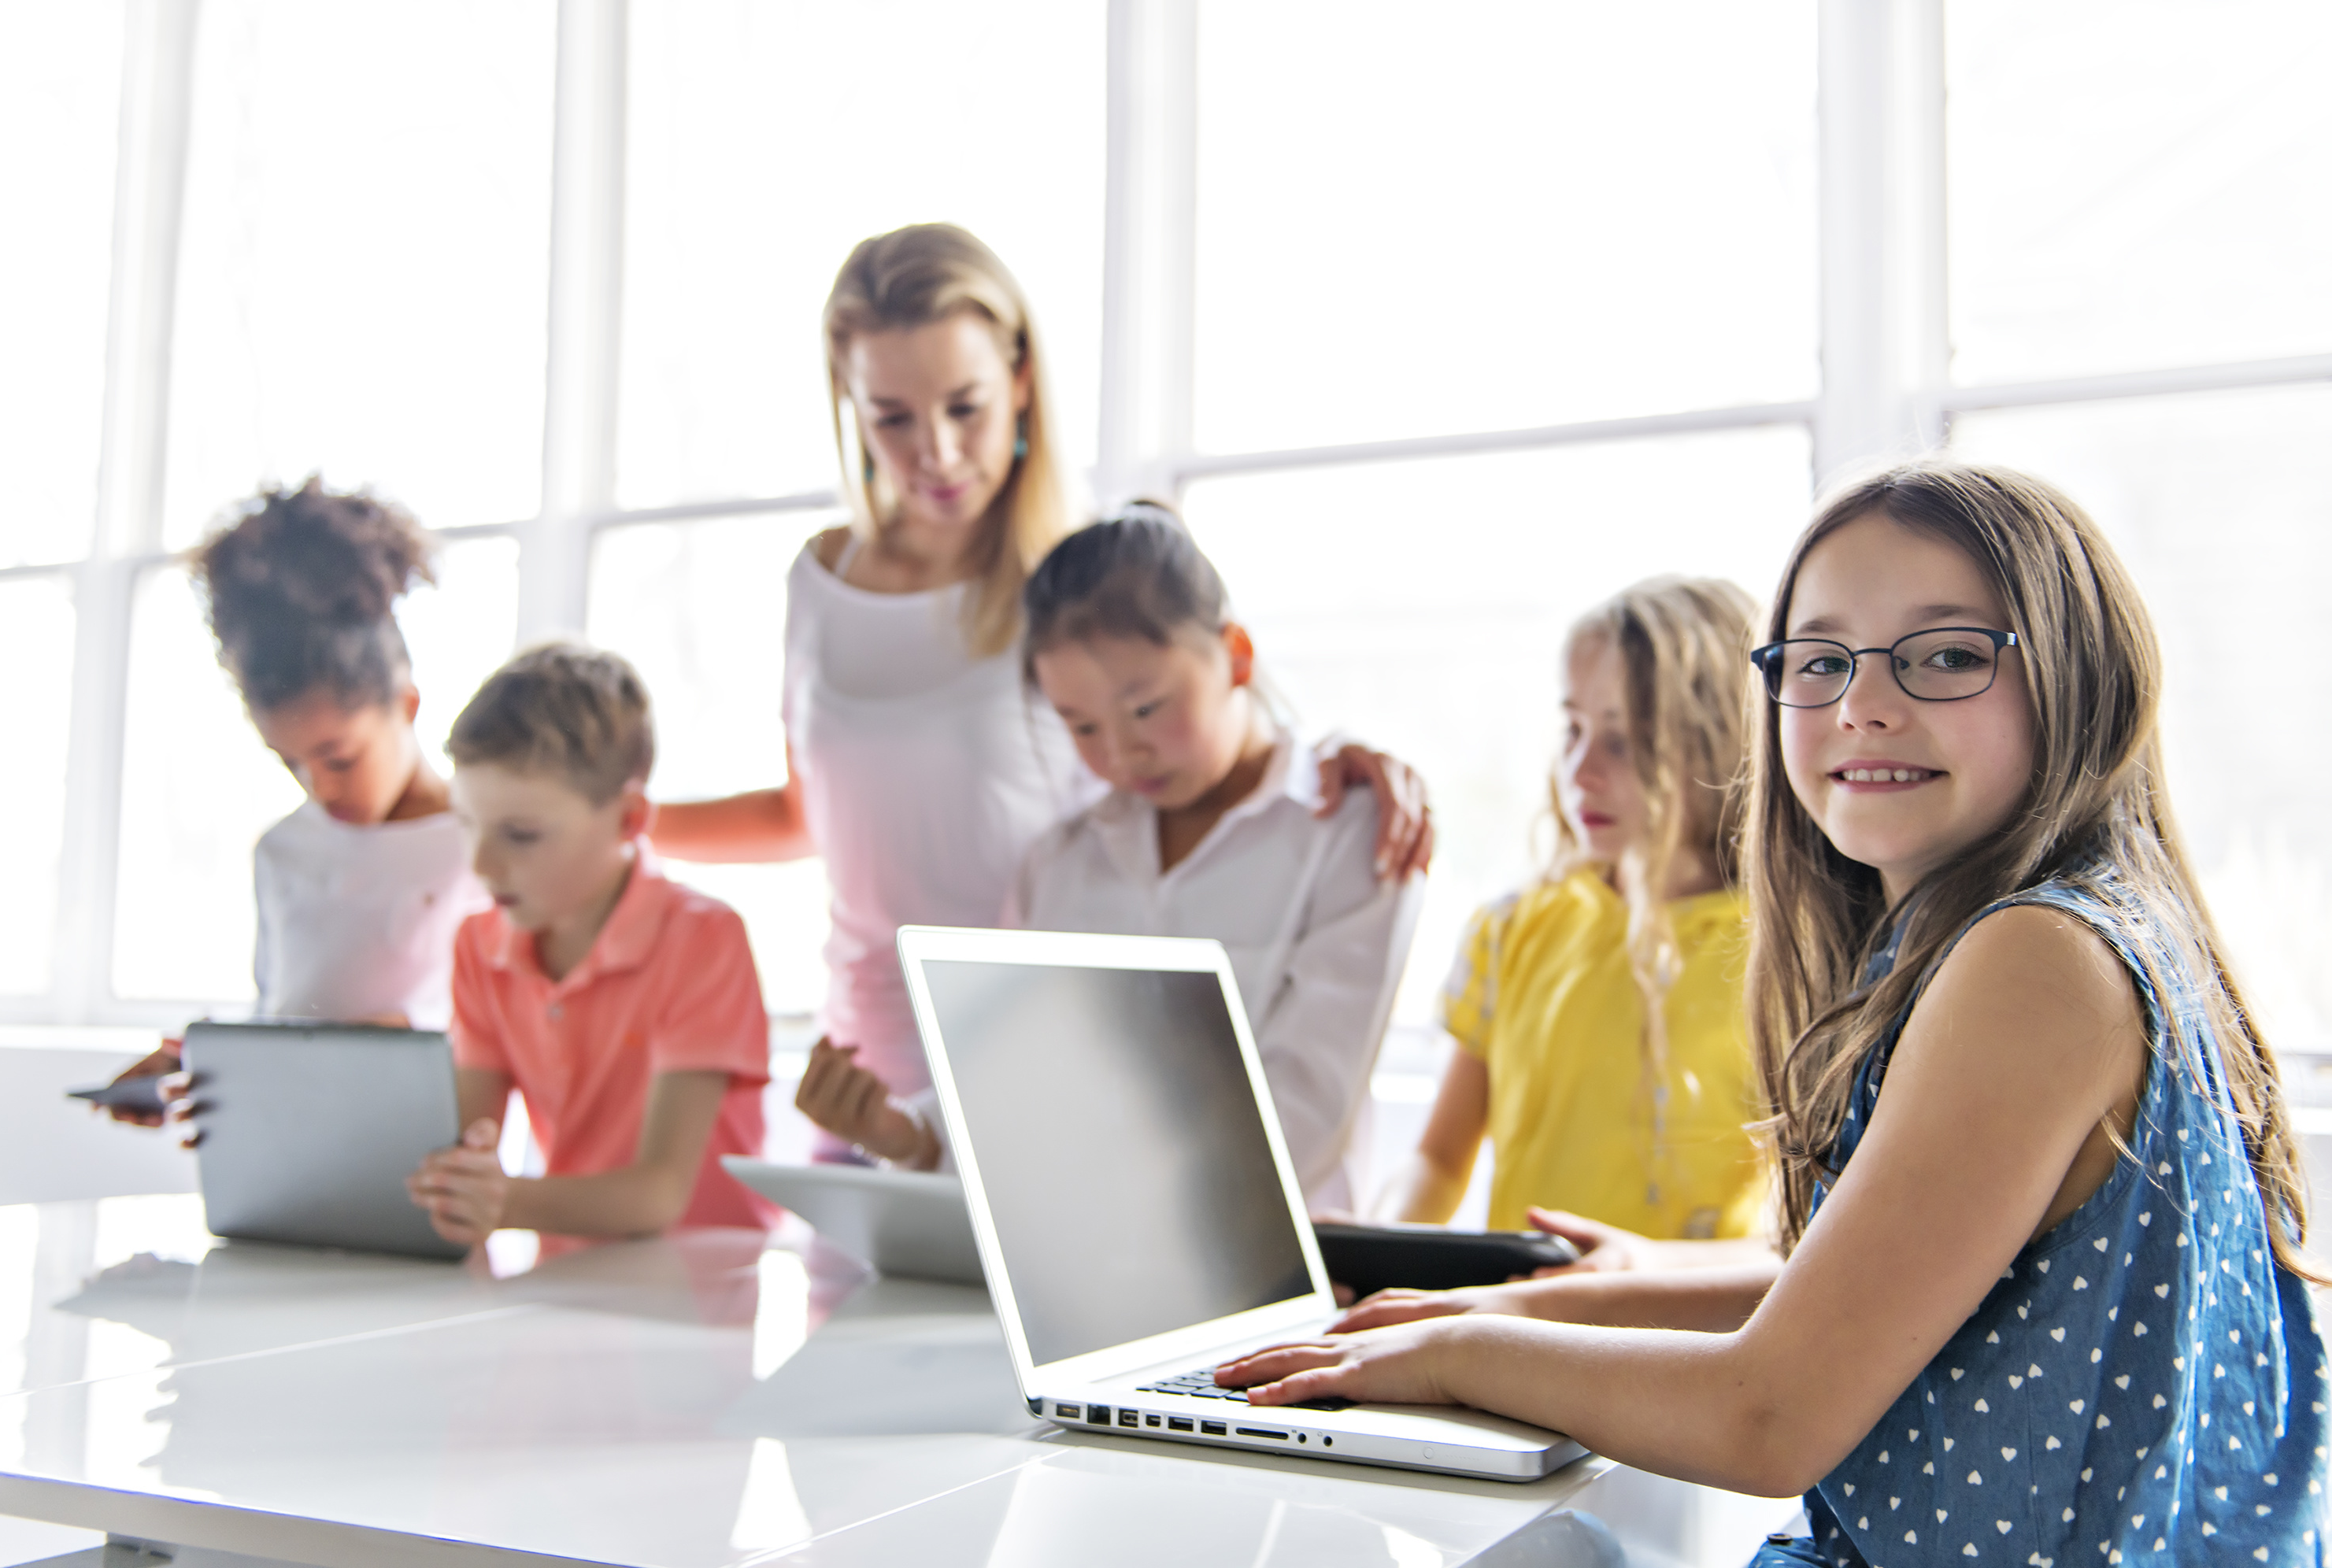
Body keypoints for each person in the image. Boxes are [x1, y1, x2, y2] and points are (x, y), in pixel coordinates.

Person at [1216, 461, 2327, 1566]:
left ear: (2083, 679)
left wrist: (1460, 1353)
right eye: (1821, 660)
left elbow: (1770, 1417)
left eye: (1945, 654)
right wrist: (1598, 1295)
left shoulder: (2034, 962)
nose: (1863, 705)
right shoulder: (2068, 928)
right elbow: (1880, 1287)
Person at [648, 224, 1431, 1144]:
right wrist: (625, 821)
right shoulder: (819, 580)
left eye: (964, 407)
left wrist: (1341, 758)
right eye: (891, 416)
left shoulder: (1079, 573)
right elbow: (807, 813)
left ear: (1020, 379)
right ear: (847, 405)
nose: (934, 452)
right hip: (868, 1062)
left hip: (1044, 1060)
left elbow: (1209, 716)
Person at [795, 506, 1421, 1210]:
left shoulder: (1352, 832)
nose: (1121, 754)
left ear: (1236, 657)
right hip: (1080, 1278)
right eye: (1081, 725)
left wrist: (1082, 1173)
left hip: (1286, 1286)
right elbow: (1012, 1084)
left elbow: (1303, 1116)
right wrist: (904, 1135)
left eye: (1147, 708)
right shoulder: (1060, 866)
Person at [1374, 577, 1767, 1248]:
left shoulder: (1783, 954)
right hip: (1521, 1327)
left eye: (1624, 740)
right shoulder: (1512, 927)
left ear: (1715, 743)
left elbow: (1796, 1239)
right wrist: (1379, 1246)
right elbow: (1439, 1160)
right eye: (1574, 729)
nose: (1580, 769)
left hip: (1689, 1345)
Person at [107, 479, 486, 1123]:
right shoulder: (282, 852)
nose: (320, 786)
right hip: (289, 1162)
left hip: (434, 1169)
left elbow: (517, 1041)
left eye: (339, 757)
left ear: (406, 705)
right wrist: (200, 1070)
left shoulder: (486, 843)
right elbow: (278, 1020)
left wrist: (391, 1043)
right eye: (290, 762)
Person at [405, 645, 771, 1243]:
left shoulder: (703, 939)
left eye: (521, 835)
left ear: (629, 820)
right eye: (466, 822)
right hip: (569, 1273)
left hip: (707, 1283)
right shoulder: (479, 944)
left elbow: (659, 1194)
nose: (481, 863)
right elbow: (464, 1146)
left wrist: (498, 1201)